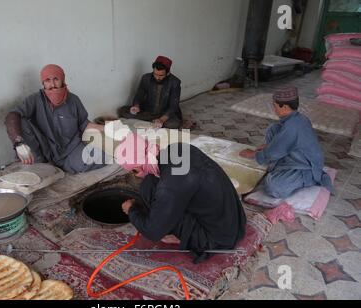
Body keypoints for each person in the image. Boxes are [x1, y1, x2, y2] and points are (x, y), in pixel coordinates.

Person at [115, 134, 246, 263]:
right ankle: (180, 231)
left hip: (217, 240)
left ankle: (186, 237)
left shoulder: (170, 186)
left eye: (134, 171)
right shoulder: (178, 148)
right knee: (150, 183)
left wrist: (132, 210)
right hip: (235, 220)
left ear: (137, 168)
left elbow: (153, 232)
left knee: (148, 190)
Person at [4, 64, 106, 174]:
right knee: (20, 121)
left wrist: (109, 128)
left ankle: (65, 167)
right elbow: (12, 116)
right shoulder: (35, 99)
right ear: (43, 83)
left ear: (63, 80)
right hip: (45, 152)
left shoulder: (73, 100)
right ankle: (41, 165)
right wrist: (19, 143)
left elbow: (84, 125)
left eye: (56, 79)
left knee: (102, 156)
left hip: (70, 152)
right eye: (47, 80)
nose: (52, 84)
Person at [240, 86, 334, 199]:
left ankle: (306, 180)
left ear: (284, 107)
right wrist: (268, 147)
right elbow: (286, 141)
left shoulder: (292, 126)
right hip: (295, 156)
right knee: (273, 129)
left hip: (305, 167)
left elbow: (274, 151)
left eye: (275, 106)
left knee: (273, 186)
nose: (274, 109)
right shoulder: (299, 118)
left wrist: (253, 154)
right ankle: (278, 169)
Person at [118, 56, 183, 129]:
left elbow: (173, 105)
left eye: (161, 75)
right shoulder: (146, 78)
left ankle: (155, 122)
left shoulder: (175, 82)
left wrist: (162, 119)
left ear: (168, 73)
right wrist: (136, 106)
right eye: (155, 74)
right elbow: (139, 94)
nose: (157, 77)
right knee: (123, 111)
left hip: (164, 114)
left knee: (174, 124)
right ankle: (153, 121)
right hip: (148, 111)